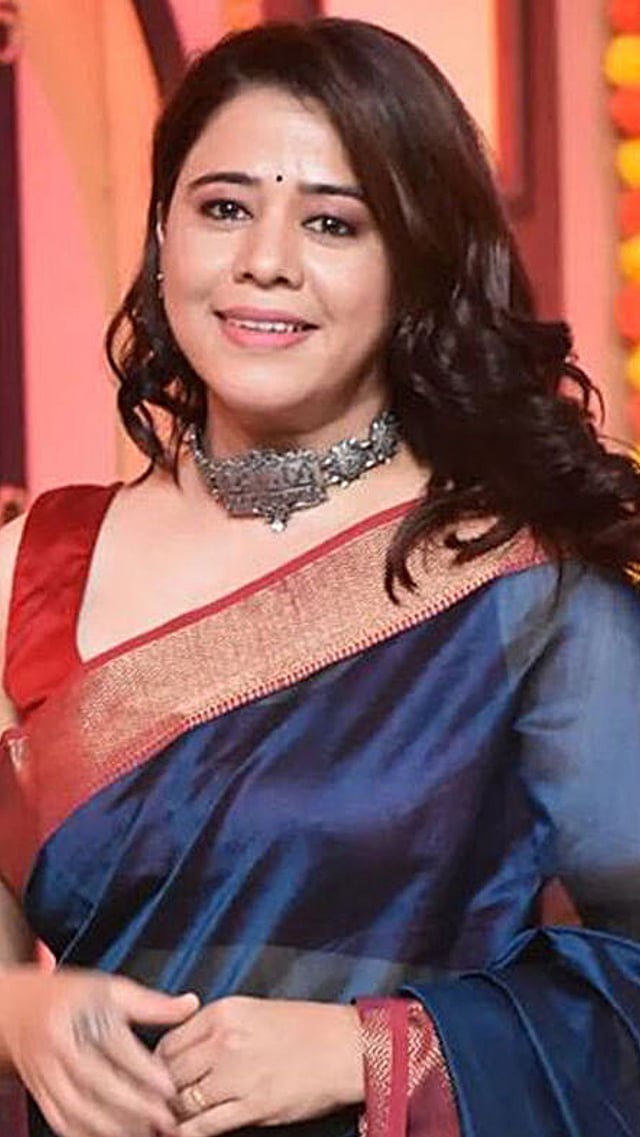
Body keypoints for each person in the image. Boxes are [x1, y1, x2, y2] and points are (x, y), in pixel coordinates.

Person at [1, 16, 640, 1137]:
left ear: (413, 266)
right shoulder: (32, 568)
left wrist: (370, 1050)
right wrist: (16, 1008)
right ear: (162, 235)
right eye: (224, 207)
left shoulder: (522, 586)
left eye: (333, 223)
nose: (267, 260)